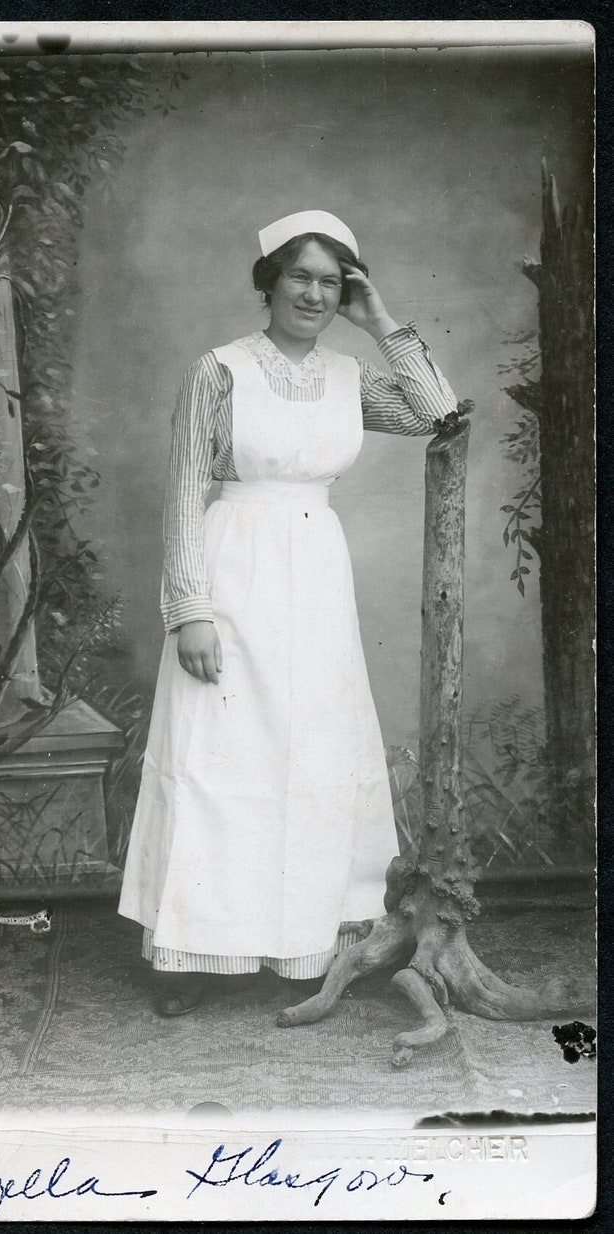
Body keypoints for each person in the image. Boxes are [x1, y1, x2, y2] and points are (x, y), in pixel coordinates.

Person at [118, 210, 457, 1016]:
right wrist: (191, 611)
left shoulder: (347, 376)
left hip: (316, 578)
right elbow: (182, 494)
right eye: (299, 276)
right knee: (220, 755)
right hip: (233, 569)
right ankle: (195, 955)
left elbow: (437, 409)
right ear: (268, 281)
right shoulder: (221, 372)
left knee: (308, 756)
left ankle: (301, 938)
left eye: (332, 282)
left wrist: (379, 321)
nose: (313, 293)